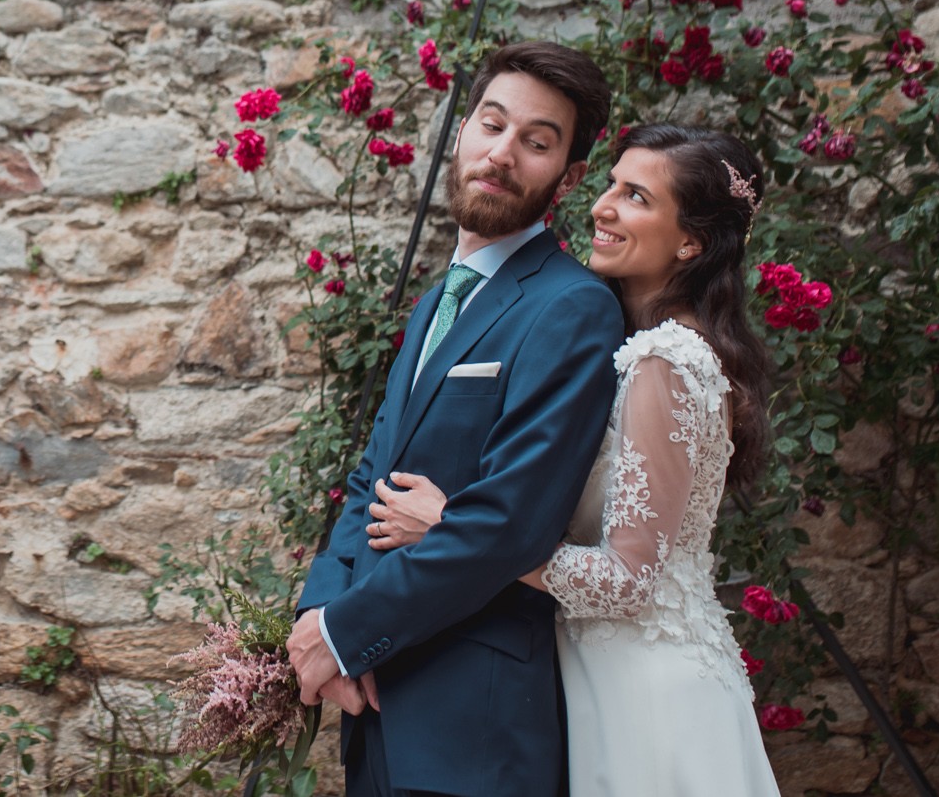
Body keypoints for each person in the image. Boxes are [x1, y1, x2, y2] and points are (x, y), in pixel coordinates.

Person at [367, 123, 783, 796]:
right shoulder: (660, 347)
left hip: (646, 699)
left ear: (690, 241)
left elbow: (626, 579)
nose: (603, 205)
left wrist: (454, 526)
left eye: (637, 196)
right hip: (614, 676)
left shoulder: (664, 361)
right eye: (612, 183)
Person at [288, 41, 627, 797]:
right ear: (462, 129)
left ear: (569, 177)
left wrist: (344, 633)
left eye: (537, 142)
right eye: (492, 124)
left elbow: (509, 522)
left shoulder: (571, 308)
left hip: (473, 729)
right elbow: (370, 478)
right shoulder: (436, 301)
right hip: (374, 702)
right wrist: (320, 615)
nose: (503, 152)